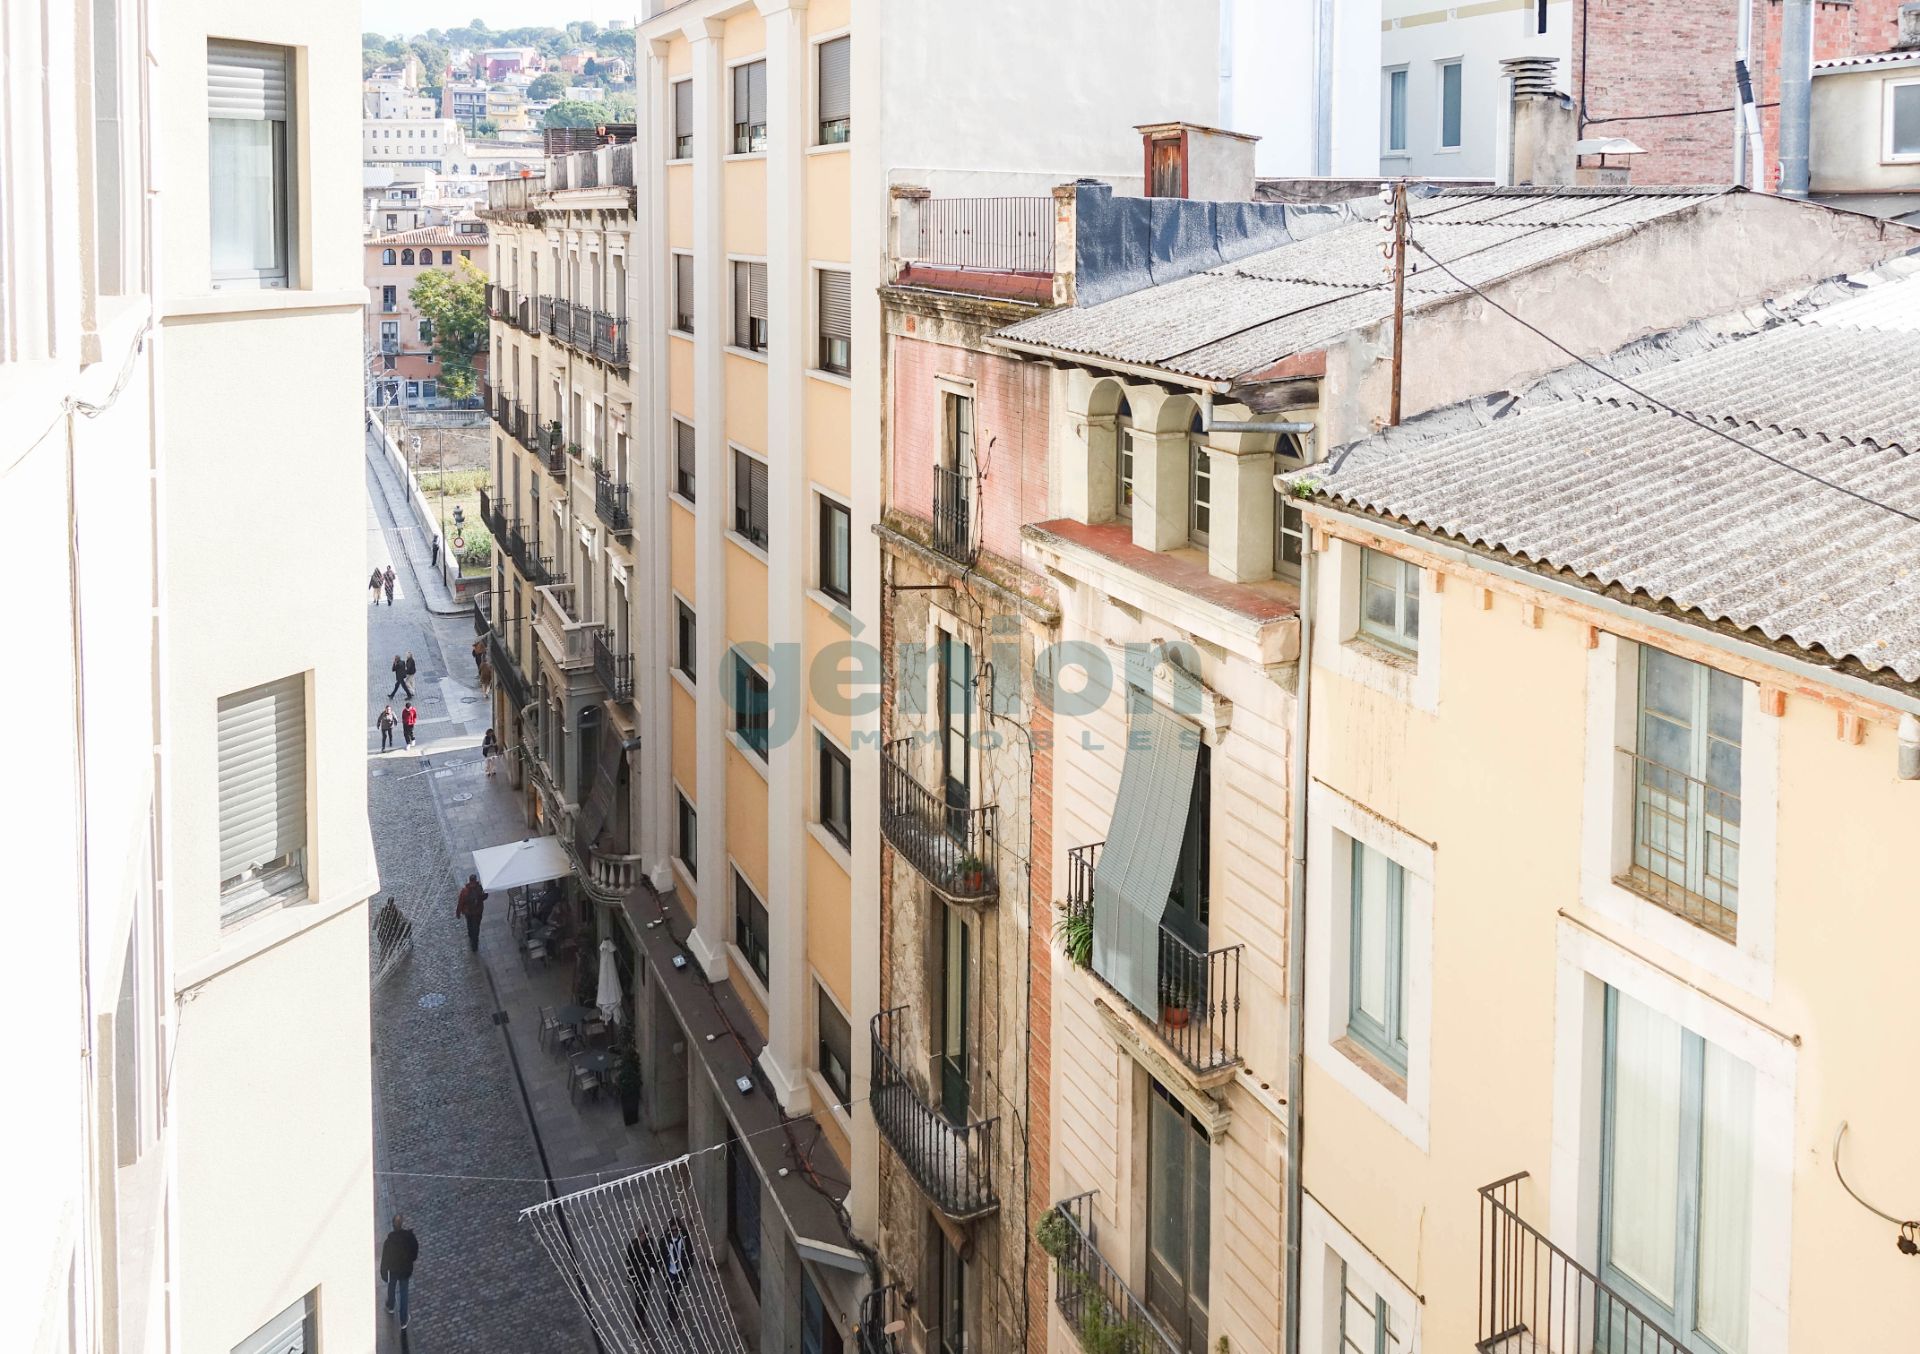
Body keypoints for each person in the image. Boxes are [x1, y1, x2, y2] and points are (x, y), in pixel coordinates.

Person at [379, 1214, 419, 1329]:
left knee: (391, 1286)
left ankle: (390, 1305)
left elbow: (385, 1259)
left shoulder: (389, 1242)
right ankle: (403, 1320)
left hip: (393, 1269)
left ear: (393, 1225)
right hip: (405, 1269)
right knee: (404, 1292)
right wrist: (411, 1259)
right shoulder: (409, 1237)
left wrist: (383, 1272)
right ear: (402, 1224)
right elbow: (414, 1251)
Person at [624, 1229, 656, 1328]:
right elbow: (628, 1261)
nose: (643, 1238)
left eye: (645, 1235)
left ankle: (642, 1316)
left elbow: (652, 1256)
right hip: (636, 1276)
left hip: (646, 1275)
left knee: (645, 1297)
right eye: (641, 1235)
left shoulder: (650, 1242)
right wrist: (638, 1267)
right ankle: (638, 1319)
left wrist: (653, 1267)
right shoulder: (633, 1245)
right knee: (640, 1297)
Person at [456, 873, 487, 952]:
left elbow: (461, 902)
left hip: (468, 912)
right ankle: (474, 944)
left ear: (470, 881)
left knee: (469, 924)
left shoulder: (465, 890)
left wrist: (458, 912)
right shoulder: (479, 888)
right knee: (476, 927)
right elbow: (484, 897)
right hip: (477, 913)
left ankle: (471, 935)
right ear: (475, 880)